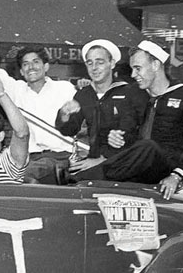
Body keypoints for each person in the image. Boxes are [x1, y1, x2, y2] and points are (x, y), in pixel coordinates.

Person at [98, 41, 183, 200]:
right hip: (137, 167)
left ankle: (82, 178)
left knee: (148, 147)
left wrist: (177, 176)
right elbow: (127, 132)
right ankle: (84, 178)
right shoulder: (134, 95)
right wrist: (115, 137)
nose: (133, 75)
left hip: (164, 168)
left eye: (138, 68)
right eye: (132, 69)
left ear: (156, 65)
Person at [0, 11, 76, 184]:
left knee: (24, 178)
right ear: (21, 71)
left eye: (36, 62)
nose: (31, 67)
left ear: (46, 67)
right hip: (26, 158)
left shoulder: (65, 88)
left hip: (58, 157)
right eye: (26, 64)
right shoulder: (16, 90)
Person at [56, 39, 148, 181]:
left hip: (121, 164)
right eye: (90, 63)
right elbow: (69, 130)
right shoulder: (84, 94)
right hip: (92, 161)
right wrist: (64, 114)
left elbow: (136, 134)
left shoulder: (130, 92)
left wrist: (103, 159)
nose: (94, 68)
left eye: (100, 62)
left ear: (111, 64)